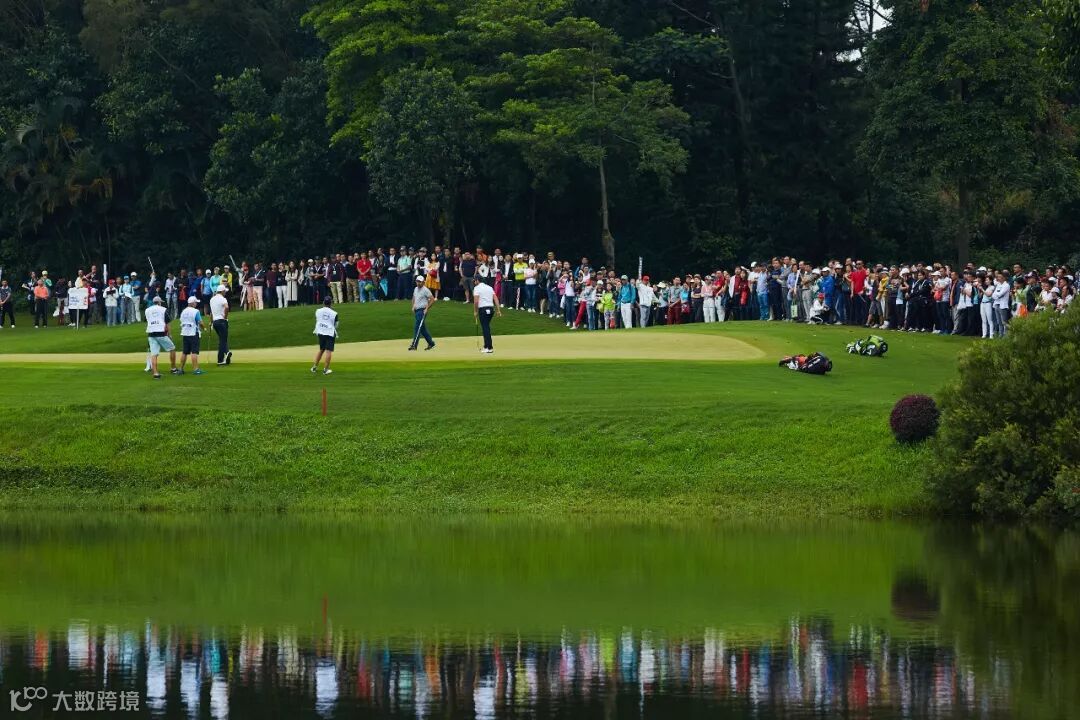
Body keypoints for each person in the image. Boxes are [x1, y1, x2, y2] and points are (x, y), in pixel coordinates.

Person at [145, 296, 177, 379]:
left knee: (154, 354)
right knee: (172, 348)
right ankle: (173, 368)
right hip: (161, 333)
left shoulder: (147, 310)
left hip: (151, 333)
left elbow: (148, 320)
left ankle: (155, 373)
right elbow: (167, 323)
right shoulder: (163, 309)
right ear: (159, 302)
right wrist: (169, 334)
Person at [178, 296, 206, 375]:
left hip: (185, 333)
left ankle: (180, 369)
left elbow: (181, 321)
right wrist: (204, 328)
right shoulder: (195, 311)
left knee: (185, 352)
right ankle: (196, 369)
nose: (196, 304)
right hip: (193, 333)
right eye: (195, 302)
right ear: (193, 303)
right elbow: (200, 322)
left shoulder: (183, 311)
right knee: (194, 352)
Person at [473, 276, 502, 353]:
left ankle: (489, 347)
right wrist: (498, 310)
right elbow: (495, 298)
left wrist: (475, 311)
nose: (474, 282)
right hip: (491, 309)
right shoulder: (489, 287)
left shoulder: (477, 288)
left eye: (474, 281)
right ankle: (486, 346)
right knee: (486, 327)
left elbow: (476, 301)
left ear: (477, 280)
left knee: (485, 328)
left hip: (483, 309)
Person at [311, 296, 338, 375]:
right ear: (331, 303)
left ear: (323, 303)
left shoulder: (318, 311)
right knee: (328, 351)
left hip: (320, 331)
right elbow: (336, 325)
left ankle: (314, 367)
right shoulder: (334, 313)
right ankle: (325, 370)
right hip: (329, 333)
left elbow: (318, 319)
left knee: (321, 349)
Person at [409, 275, 436, 351]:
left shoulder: (425, 290)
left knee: (417, 327)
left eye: (420, 282)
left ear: (423, 282)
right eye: (417, 281)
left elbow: (432, 299)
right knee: (422, 329)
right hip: (417, 311)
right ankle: (431, 343)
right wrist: (413, 306)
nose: (418, 283)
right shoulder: (415, 289)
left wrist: (427, 308)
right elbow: (414, 298)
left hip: (422, 311)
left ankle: (414, 345)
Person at [210, 283, 232, 366]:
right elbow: (226, 307)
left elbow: (211, 312)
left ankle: (227, 352)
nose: (225, 293)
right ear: (222, 291)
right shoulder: (223, 299)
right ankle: (220, 360)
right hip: (222, 321)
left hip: (215, 322)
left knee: (222, 339)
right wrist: (225, 317)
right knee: (223, 341)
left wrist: (211, 322)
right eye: (224, 291)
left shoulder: (212, 299)